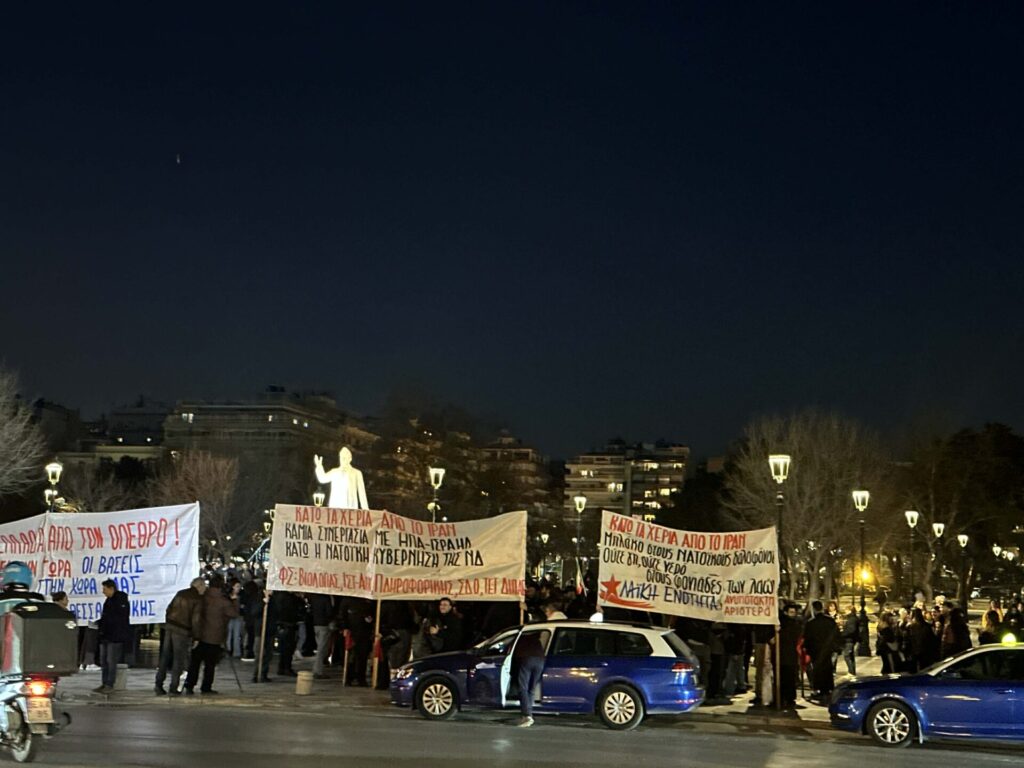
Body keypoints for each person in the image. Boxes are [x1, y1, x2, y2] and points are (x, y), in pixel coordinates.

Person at [184, 574, 239, 694]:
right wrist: (234, 599)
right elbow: (234, 614)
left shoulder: (202, 596)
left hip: (199, 634)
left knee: (195, 663)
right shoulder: (223, 601)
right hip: (215, 636)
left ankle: (189, 684)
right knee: (210, 665)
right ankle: (206, 687)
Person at [155, 577, 206, 695]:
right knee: (178, 659)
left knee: (165, 656)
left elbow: (169, 608)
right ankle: (173, 687)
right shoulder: (197, 599)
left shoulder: (181, 593)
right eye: (204, 587)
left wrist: (168, 621)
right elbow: (196, 620)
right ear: (199, 586)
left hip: (169, 627)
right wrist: (196, 637)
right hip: (182, 631)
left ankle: (158, 684)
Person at [96, 579, 131, 694]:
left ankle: (110, 683)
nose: (103, 592)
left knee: (111, 661)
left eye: (105, 589)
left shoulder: (120, 600)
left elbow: (118, 618)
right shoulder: (108, 600)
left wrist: (104, 623)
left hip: (115, 636)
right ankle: (104, 682)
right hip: (106, 635)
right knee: (104, 660)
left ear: (111, 589)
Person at [802, 600, 840, 702]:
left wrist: (807, 648)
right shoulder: (830, 621)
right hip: (827, 649)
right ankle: (828, 689)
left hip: (816, 650)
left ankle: (819, 690)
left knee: (818, 670)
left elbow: (807, 637)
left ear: (814, 609)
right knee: (827, 669)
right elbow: (836, 634)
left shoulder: (811, 623)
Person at [512, 629, 548, 727]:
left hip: (526, 659)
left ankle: (527, 715)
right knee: (531, 689)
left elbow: (515, 654)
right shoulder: (537, 641)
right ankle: (528, 713)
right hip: (540, 661)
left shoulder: (522, 638)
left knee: (523, 688)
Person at [309, 593, 337, 679]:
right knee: (322, 649)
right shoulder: (326, 598)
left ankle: (318, 669)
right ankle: (318, 671)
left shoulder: (314, 597)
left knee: (320, 647)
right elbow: (329, 612)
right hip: (324, 624)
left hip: (316, 623)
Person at [840, 606, 859, 676]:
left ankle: (851, 672)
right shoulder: (852, 618)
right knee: (850, 656)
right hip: (851, 639)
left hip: (849, 640)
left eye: (846, 610)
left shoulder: (852, 619)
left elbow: (851, 630)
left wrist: (842, 634)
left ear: (850, 610)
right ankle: (852, 671)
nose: (845, 612)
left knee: (847, 656)